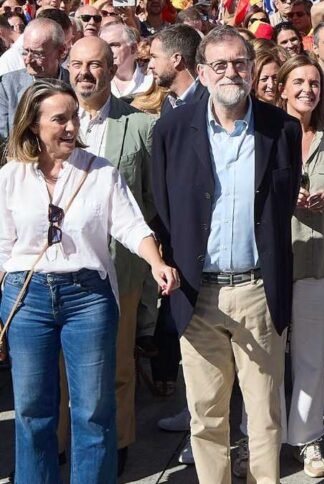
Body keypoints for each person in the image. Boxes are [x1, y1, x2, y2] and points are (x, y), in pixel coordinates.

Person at [0, 77, 178, 484]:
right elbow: (2, 249)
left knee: (93, 410)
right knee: (31, 410)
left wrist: (155, 262)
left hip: (88, 298)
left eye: (74, 118)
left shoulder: (100, 172)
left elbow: (132, 225)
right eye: (59, 120)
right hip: (26, 298)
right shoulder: (11, 176)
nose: (71, 127)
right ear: (33, 125)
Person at [150, 26, 302, 484]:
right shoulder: (172, 129)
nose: (231, 72)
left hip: (258, 290)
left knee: (265, 415)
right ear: (201, 72)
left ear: (253, 69)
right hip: (198, 294)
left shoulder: (282, 128)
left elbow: (283, 201)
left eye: (239, 63)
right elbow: (163, 205)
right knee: (207, 416)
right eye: (220, 65)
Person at [67, 35, 159, 476]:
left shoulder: (140, 126)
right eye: (77, 64)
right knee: (65, 368)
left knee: (118, 365)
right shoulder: (51, 120)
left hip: (119, 270)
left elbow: (150, 204)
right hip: (63, 268)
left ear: (111, 68)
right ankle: (68, 444)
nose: (85, 73)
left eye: (95, 65)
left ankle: (118, 443)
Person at [273, 53, 324, 477]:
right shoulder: (265, 137)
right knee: (266, 359)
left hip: (322, 260)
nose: (308, 89)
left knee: (310, 357)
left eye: (315, 83)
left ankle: (307, 439)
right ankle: (262, 437)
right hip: (270, 262)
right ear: (282, 87)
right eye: (299, 82)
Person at [0, 18, 69, 142]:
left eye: (38, 54)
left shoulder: (73, 85)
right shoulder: (7, 85)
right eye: (25, 52)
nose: (28, 60)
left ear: (61, 51)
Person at [148, 24, 207, 115]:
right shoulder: (168, 103)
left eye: (154, 57)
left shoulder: (209, 102)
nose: (150, 65)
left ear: (176, 60)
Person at [101, 23, 154, 101]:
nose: (108, 51)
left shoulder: (150, 80)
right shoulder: (97, 82)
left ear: (133, 48)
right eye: (104, 46)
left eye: (114, 45)